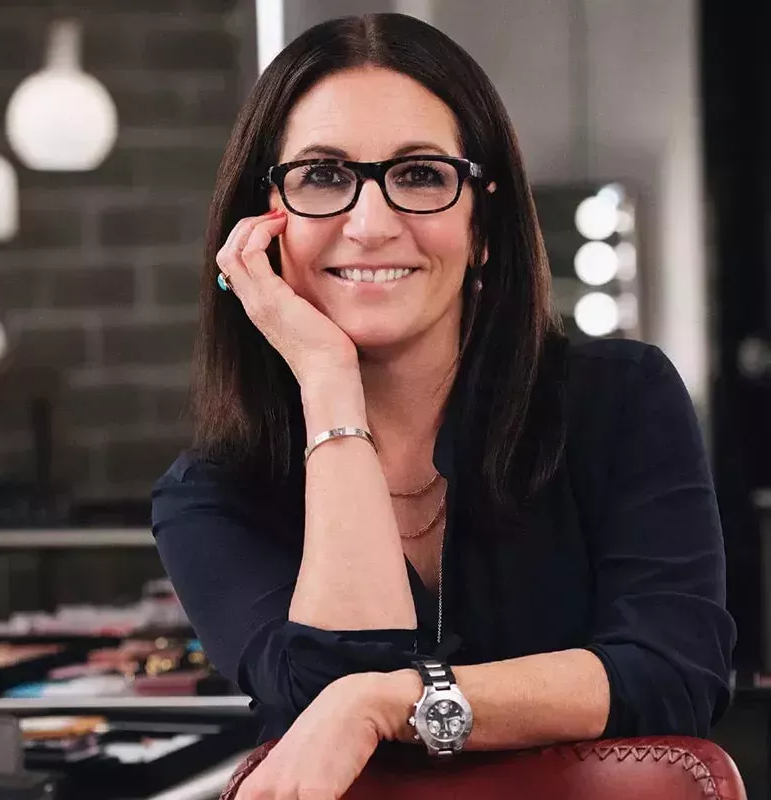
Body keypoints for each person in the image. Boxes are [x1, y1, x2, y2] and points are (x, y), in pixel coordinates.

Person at [151, 12, 736, 798]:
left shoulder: (618, 399)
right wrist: (328, 381)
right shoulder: (212, 492)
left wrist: (390, 701)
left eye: (421, 175)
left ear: (483, 223)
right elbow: (330, 679)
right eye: (323, 176)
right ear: (262, 228)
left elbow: (673, 672)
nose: (370, 224)